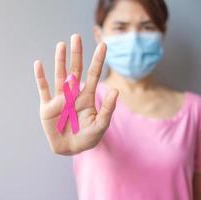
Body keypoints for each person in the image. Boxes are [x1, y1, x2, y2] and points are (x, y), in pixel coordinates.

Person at [33, 0, 201, 199]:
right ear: (99, 34)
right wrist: (65, 143)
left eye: (147, 27)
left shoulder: (194, 110)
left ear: (162, 34)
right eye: (120, 27)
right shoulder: (79, 103)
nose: (134, 39)